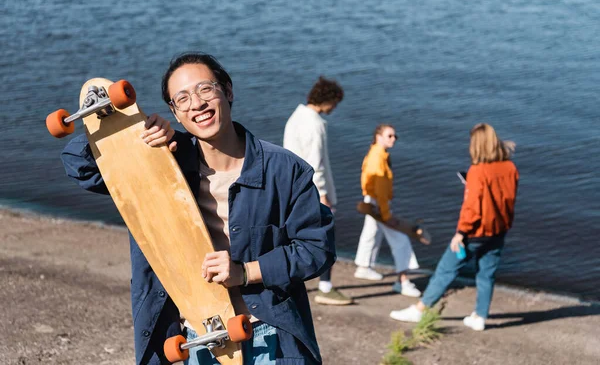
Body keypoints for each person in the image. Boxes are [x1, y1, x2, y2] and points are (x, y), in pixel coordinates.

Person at [60, 52, 336, 364]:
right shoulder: (160, 164)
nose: (197, 103)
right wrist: (132, 136)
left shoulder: (285, 170)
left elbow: (318, 249)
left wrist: (245, 272)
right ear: (175, 113)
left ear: (228, 91)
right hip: (197, 337)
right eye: (183, 98)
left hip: (268, 334)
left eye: (206, 89)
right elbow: (80, 167)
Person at [389, 123, 518, 331]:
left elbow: (472, 209)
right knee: (486, 274)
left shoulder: (477, 171)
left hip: (474, 233)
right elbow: (507, 199)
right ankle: (480, 316)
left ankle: (420, 309)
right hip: (498, 231)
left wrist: (460, 233)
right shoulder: (510, 168)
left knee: (445, 270)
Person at [283, 76, 352, 306]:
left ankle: (291, 280)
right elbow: (316, 164)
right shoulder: (314, 125)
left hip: (292, 187)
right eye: (335, 103)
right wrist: (323, 196)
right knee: (325, 238)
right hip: (312, 191)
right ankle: (326, 287)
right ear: (328, 100)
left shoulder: (296, 117)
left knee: (294, 237)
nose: (334, 108)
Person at [353, 124, 427, 297]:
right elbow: (380, 188)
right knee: (401, 239)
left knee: (371, 234)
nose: (393, 139)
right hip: (378, 203)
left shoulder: (377, 154)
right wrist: (386, 215)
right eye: (389, 136)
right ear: (378, 137)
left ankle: (363, 267)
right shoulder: (378, 157)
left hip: (372, 201)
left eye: (395, 136)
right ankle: (403, 282)